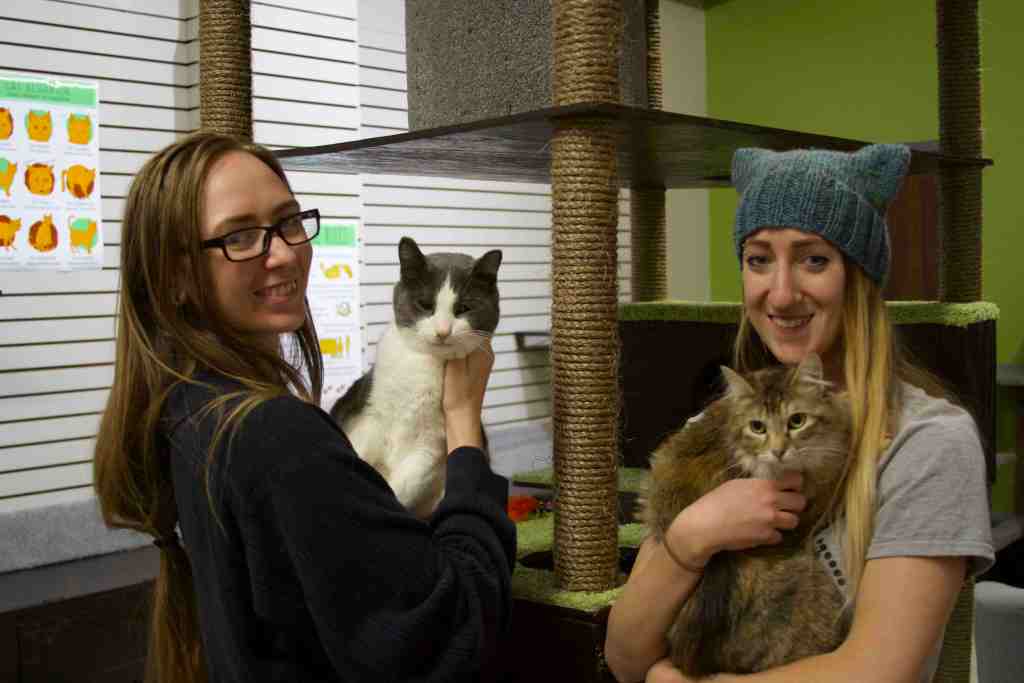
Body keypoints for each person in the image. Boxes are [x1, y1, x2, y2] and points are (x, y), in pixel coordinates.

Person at [93, 132, 515, 682]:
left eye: (289, 222)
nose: (284, 252)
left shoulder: (190, 408)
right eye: (240, 237)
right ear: (175, 277)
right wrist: (464, 428)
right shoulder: (274, 437)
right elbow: (454, 627)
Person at [604, 144, 994, 683]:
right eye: (758, 259)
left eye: (814, 259)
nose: (781, 294)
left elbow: (878, 671)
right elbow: (624, 659)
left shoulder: (928, 442)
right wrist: (692, 537)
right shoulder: (718, 428)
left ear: (859, 276)